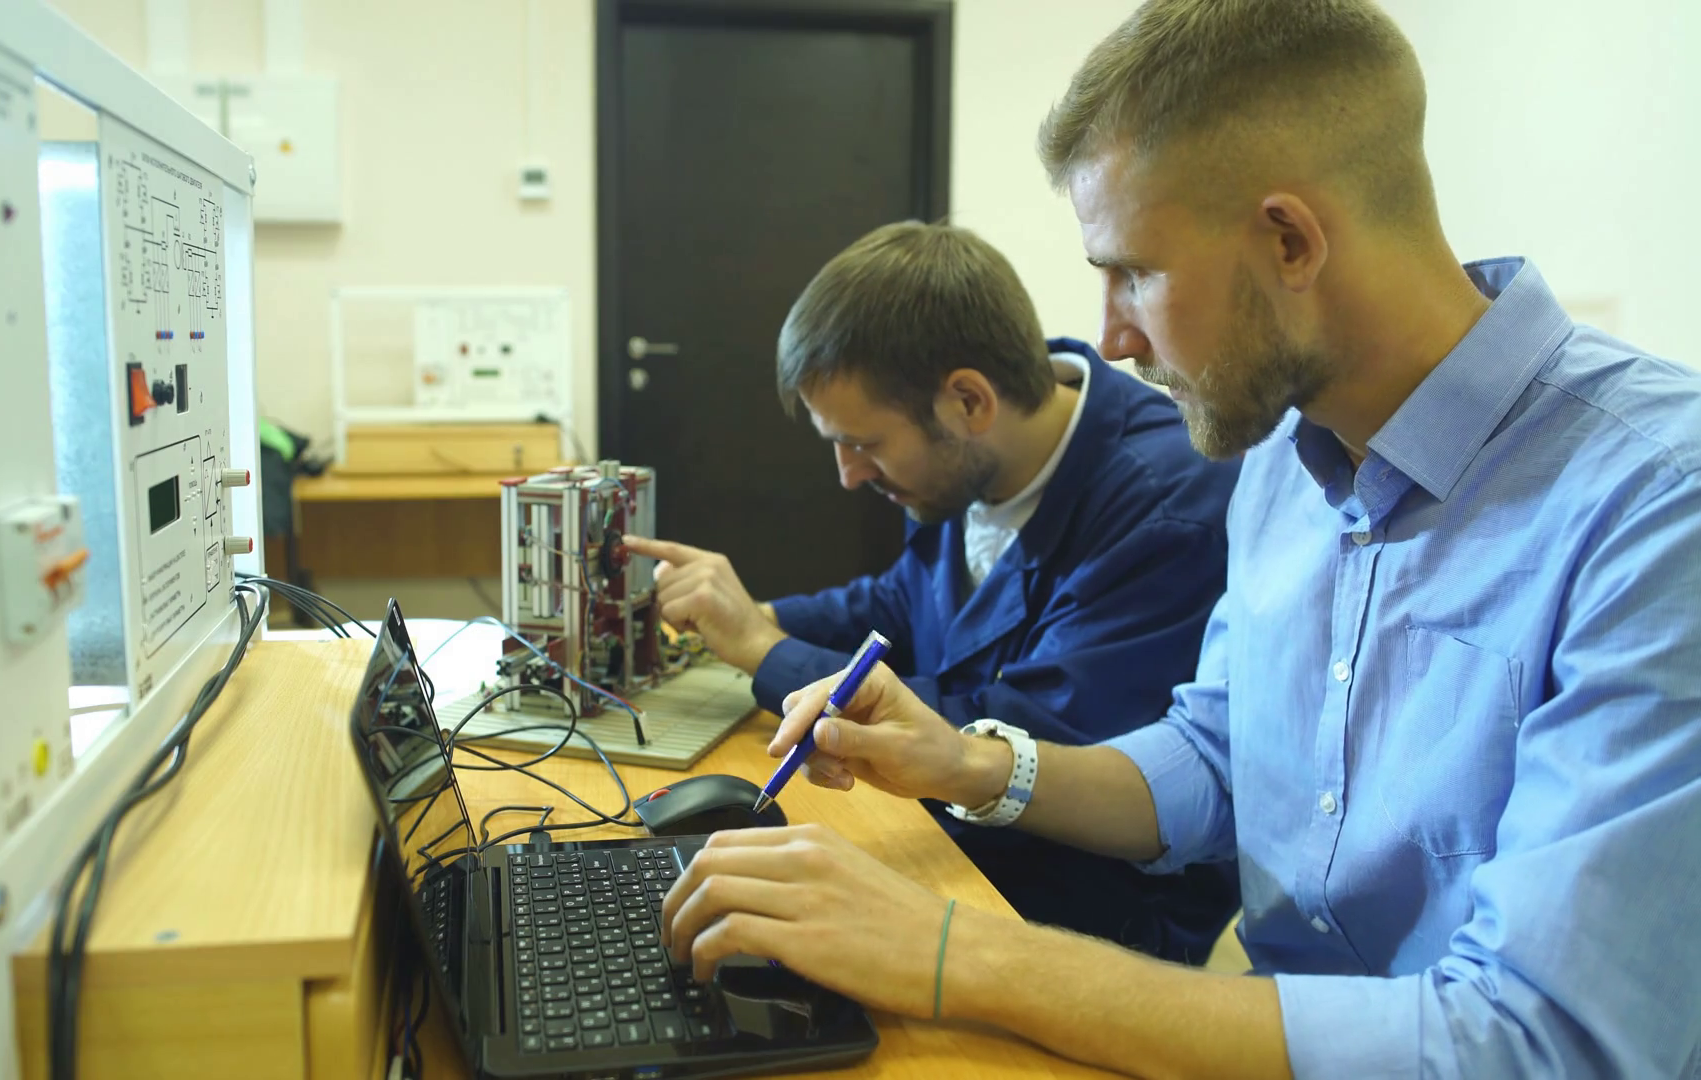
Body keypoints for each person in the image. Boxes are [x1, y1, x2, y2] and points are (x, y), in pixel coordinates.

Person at [655, 0, 1701, 1076]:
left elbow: (1540, 1046)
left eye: (1134, 273)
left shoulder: (1659, 507)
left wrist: (955, 955)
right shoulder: (1282, 467)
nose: (1110, 336)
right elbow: (1215, 759)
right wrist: (966, 763)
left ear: (1289, 240)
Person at [623, 220, 1241, 962]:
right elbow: (896, 606)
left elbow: (1013, 732)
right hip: (965, 850)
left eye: (865, 444)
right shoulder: (974, 464)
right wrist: (750, 617)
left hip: (1081, 918)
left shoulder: (1163, 510)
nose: (849, 475)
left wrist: (763, 651)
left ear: (969, 402)